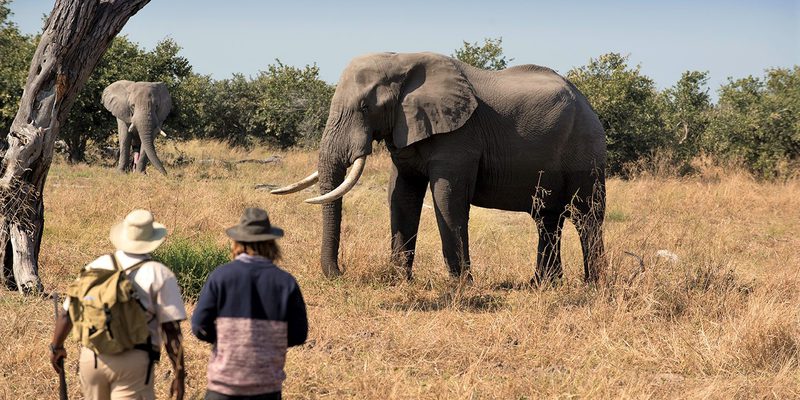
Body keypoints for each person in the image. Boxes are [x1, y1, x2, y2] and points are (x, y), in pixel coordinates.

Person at [50, 209, 187, 400]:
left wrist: (56, 348)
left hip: (92, 357)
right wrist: (179, 374)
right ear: (153, 240)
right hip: (134, 360)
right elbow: (171, 330)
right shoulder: (159, 274)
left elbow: (67, 313)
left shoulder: (97, 265)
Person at [192, 207, 308, 400]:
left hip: (223, 387)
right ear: (271, 243)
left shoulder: (220, 276)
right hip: (266, 388)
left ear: (237, 241)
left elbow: (198, 326)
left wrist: (227, 341)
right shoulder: (286, 282)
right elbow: (299, 335)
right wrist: (268, 344)